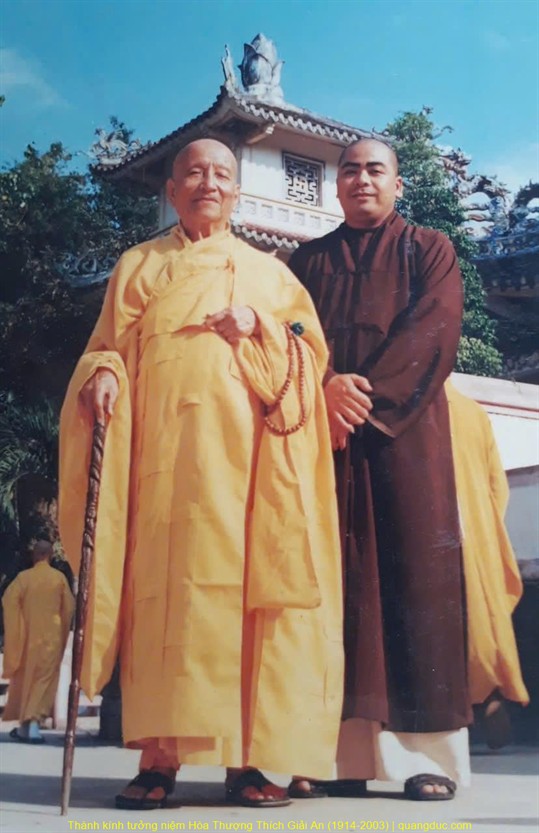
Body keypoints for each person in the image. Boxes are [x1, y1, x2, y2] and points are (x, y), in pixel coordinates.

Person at [59, 139, 344, 810]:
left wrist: (262, 327)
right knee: (168, 605)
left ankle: (248, 761)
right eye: (193, 172)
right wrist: (102, 374)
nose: (207, 183)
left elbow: (310, 358)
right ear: (172, 189)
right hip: (162, 469)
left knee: (247, 608)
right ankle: (159, 759)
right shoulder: (138, 266)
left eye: (221, 173)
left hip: (250, 475)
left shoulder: (271, 275)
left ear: (237, 191)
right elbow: (106, 348)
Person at [288, 138, 471, 801]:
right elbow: (288, 339)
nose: (361, 179)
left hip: (407, 439)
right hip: (325, 440)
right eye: (349, 171)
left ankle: (426, 759)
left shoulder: (428, 249)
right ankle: (329, 755)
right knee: (331, 591)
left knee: (414, 586)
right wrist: (324, 389)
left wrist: (360, 400)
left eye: (374, 169)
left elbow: (435, 330)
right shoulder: (305, 262)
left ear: (398, 184)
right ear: (334, 186)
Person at [445, 380, 529, 747]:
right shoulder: (473, 413)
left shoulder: (402, 405)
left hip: (430, 541)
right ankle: (489, 698)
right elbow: (498, 488)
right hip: (475, 538)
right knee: (479, 628)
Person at [2, 539, 74, 743]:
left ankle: (25, 728)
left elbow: (8, 600)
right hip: (51, 637)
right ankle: (32, 725)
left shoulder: (23, 578)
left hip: (27, 638)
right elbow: (69, 608)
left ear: (34, 555)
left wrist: (17, 626)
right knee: (44, 679)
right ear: (50, 556)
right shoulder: (58, 578)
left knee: (27, 680)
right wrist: (63, 629)